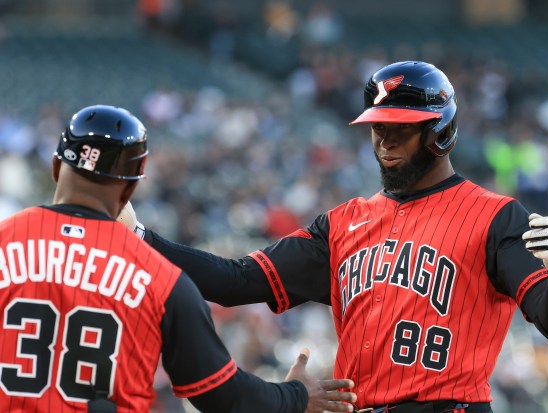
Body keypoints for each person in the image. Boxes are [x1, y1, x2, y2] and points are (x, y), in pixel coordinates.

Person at [119, 61, 548, 413]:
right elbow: (234, 280)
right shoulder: (344, 222)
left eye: (400, 130)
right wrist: (139, 237)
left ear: (440, 132)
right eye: (378, 128)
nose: (385, 143)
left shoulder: (495, 216)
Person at [0, 105, 357, 413]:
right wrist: (295, 396)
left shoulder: (4, 241)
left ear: (55, 167)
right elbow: (226, 397)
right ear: (130, 189)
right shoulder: (162, 278)